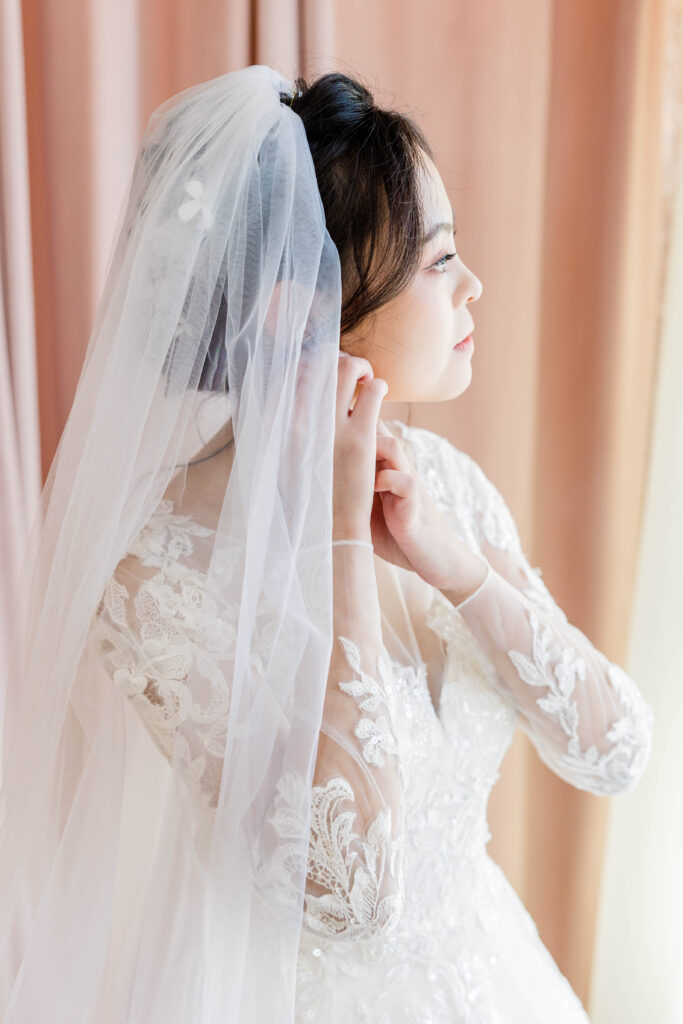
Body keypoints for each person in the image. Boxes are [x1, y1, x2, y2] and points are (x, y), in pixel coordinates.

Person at [0, 64, 653, 1023]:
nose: (473, 287)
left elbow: (617, 752)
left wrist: (457, 568)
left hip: (494, 978)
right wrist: (341, 539)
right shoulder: (150, 568)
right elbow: (353, 892)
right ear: (299, 313)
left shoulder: (448, 494)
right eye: (436, 262)